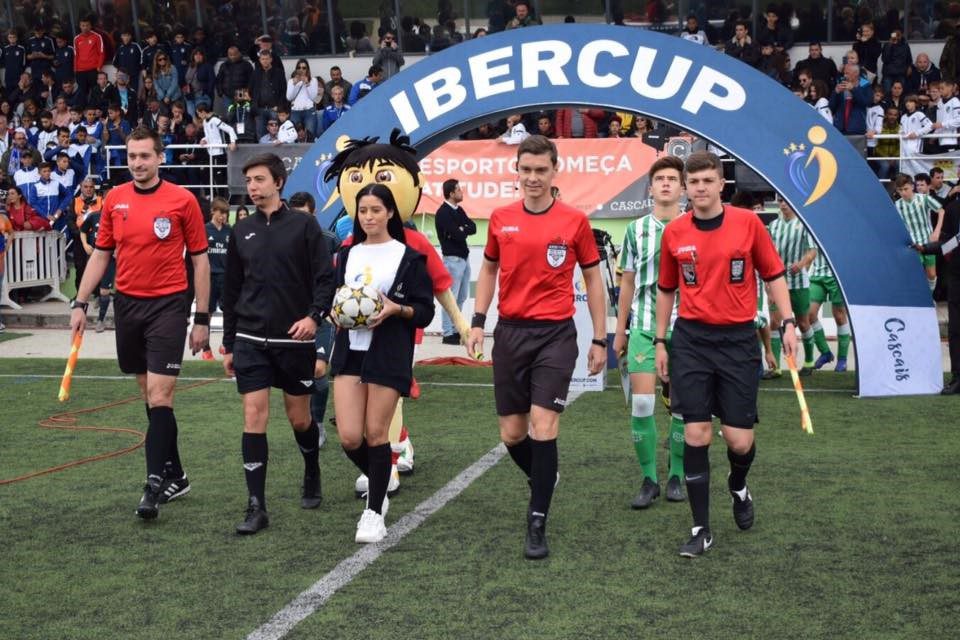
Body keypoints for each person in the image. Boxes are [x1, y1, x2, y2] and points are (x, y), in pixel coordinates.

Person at [466, 135, 608, 559]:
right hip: (510, 334)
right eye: (525, 170)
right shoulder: (500, 218)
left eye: (540, 170)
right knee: (512, 434)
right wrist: (477, 321)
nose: (532, 178)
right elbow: (489, 269)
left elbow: (594, 281)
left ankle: (537, 520)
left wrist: (600, 337)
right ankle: (545, 477)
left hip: (555, 336)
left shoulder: (574, 221)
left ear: (553, 170)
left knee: (544, 427)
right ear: (517, 170)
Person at [655, 151, 796, 558]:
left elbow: (773, 275)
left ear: (721, 184)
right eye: (693, 182)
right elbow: (667, 289)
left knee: (738, 440)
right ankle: (701, 528)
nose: (699, 188)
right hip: (692, 342)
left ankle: (738, 485)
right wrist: (661, 341)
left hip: (737, 342)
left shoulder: (748, 223)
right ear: (686, 187)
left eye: (706, 181)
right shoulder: (675, 233)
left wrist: (787, 323)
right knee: (696, 434)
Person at [69, 126, 210, 520]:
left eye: (145, 156)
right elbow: (101, 255)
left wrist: (201, 317)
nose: (137, 163)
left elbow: (200, 260)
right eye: (132, 156)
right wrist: (80, 303)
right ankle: (177, 473)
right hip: (127, 307)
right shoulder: (114, 199)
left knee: (162, 395)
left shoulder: (182, 201)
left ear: (159, 158)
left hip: (168, 307)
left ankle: (153, 485)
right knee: (150, 396)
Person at [221, 153, 336, 535]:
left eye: (259, 180)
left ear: (278, 182)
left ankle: (311, 468)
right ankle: (256, 505)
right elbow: (232, 289)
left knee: (299, 419)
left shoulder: (305, 227)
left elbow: (324, 280)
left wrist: (313, 318)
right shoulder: (242, 230)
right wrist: (229, 344)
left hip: (294, 341)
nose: (252, 187)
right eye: (248, 181)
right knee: (254, 416)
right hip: (251, 340)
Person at [330, 183, 435, 543]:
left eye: (376, 209)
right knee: (348, 436)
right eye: (363, 211)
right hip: (349, 352)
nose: (369, 216)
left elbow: (424, 312)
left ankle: (374, 512)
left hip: (388, 354)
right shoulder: (346, 256)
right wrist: (334, 313)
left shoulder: (409, 257)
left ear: (391, 212)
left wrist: (396, 309)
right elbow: (333, 298)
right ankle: (382, 479)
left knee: (376, 434)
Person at [613, 155, 687, 509]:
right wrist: (620, 329)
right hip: (643, 326)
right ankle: (650, 479)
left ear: (683, 188)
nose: (667, 184)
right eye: (661, 179)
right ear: (652, 188)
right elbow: (627, 282)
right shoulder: (634, 230)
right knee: (642, 403)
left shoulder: (695, 226)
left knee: (683, 409)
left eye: (673, 178)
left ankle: (676, 474)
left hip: (687, 328)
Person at [288, 191, 339, 448]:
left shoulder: (330, 241)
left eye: (304, 216)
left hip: (321, 317)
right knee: (296, 373)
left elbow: (338, 278)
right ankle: (304, 421)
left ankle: (317, 423)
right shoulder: (281, 240)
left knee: (319, 368)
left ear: (314, 213)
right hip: (290, 317)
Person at [766, 200, 818, 377]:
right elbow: (766, 253)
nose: (783, 205)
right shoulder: (773, 226)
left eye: (786, 201)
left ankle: (809, 362)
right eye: (780, 201)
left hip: (799, 283)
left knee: (803, 322)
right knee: (774, 322)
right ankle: (776, 368)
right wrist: (768, 285)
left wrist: (802, 263)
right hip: (777, 281)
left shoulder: (803, 225)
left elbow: (812, 250)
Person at [915, 198, 960, 394]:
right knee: (956, 329)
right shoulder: (953, 208)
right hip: (957, 276)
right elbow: (950, 241)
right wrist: (926, 248)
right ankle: (958, 377)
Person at [434, 178, 476, 345]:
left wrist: (461, 229)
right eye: (458, 189)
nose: (461, 192)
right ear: (451, 193)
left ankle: (455, 328)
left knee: (462, 295)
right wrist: (461, 229)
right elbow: (457, 234)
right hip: (452, 259)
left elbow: (472, 228)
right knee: (450, 297)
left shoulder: (459, 210)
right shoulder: (443, 212)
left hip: (464, 258)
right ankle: (448, 332)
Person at [894, 173, 945, 292]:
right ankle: (920, 301)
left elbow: (941, 211)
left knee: (932, 274)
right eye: (900, 190)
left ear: (912, 186)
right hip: (912, 245)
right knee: (915, 274)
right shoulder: (897, 205)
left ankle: (930, 298)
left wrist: (936, 232)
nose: (903, 192)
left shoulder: (924, 198)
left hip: (927, 242)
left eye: (905, 189)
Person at [807, 248, 852, 372]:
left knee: (839, 316)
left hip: (837, 275)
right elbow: (809, 251)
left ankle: (842, 360)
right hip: (817, 276)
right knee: (809, 314)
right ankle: (825, 352)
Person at [78, 200, 115, 333]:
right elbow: (82, 230)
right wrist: (85, 245)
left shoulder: (119, 218)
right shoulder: (94, 216)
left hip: (110, 257)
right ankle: (96, 301)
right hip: (95, 255)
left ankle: (101, 320)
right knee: (90, 287)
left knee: (105, 290)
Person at [201, 197, 230, 360]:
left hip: (225, 277)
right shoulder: (205, 230)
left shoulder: (229, 231)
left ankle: (225, 344)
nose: (223, 217)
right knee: (208, 313)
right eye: (221, 213)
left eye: (225, 213)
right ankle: (206, 348)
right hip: (209, 278)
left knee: (228, 312)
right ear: (213, 211)